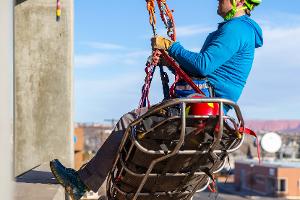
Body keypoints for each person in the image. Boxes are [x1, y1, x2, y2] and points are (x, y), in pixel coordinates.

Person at [50, 0, 263, 199]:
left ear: (240, 2)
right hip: (206, 106)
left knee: (129, 122)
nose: (218, 0)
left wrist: (172, 47)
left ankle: (84, 184)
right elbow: (204, 71)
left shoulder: (236, 28)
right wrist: (169, 62)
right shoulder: (242, 30)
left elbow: (203, 65)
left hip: (200, 106)